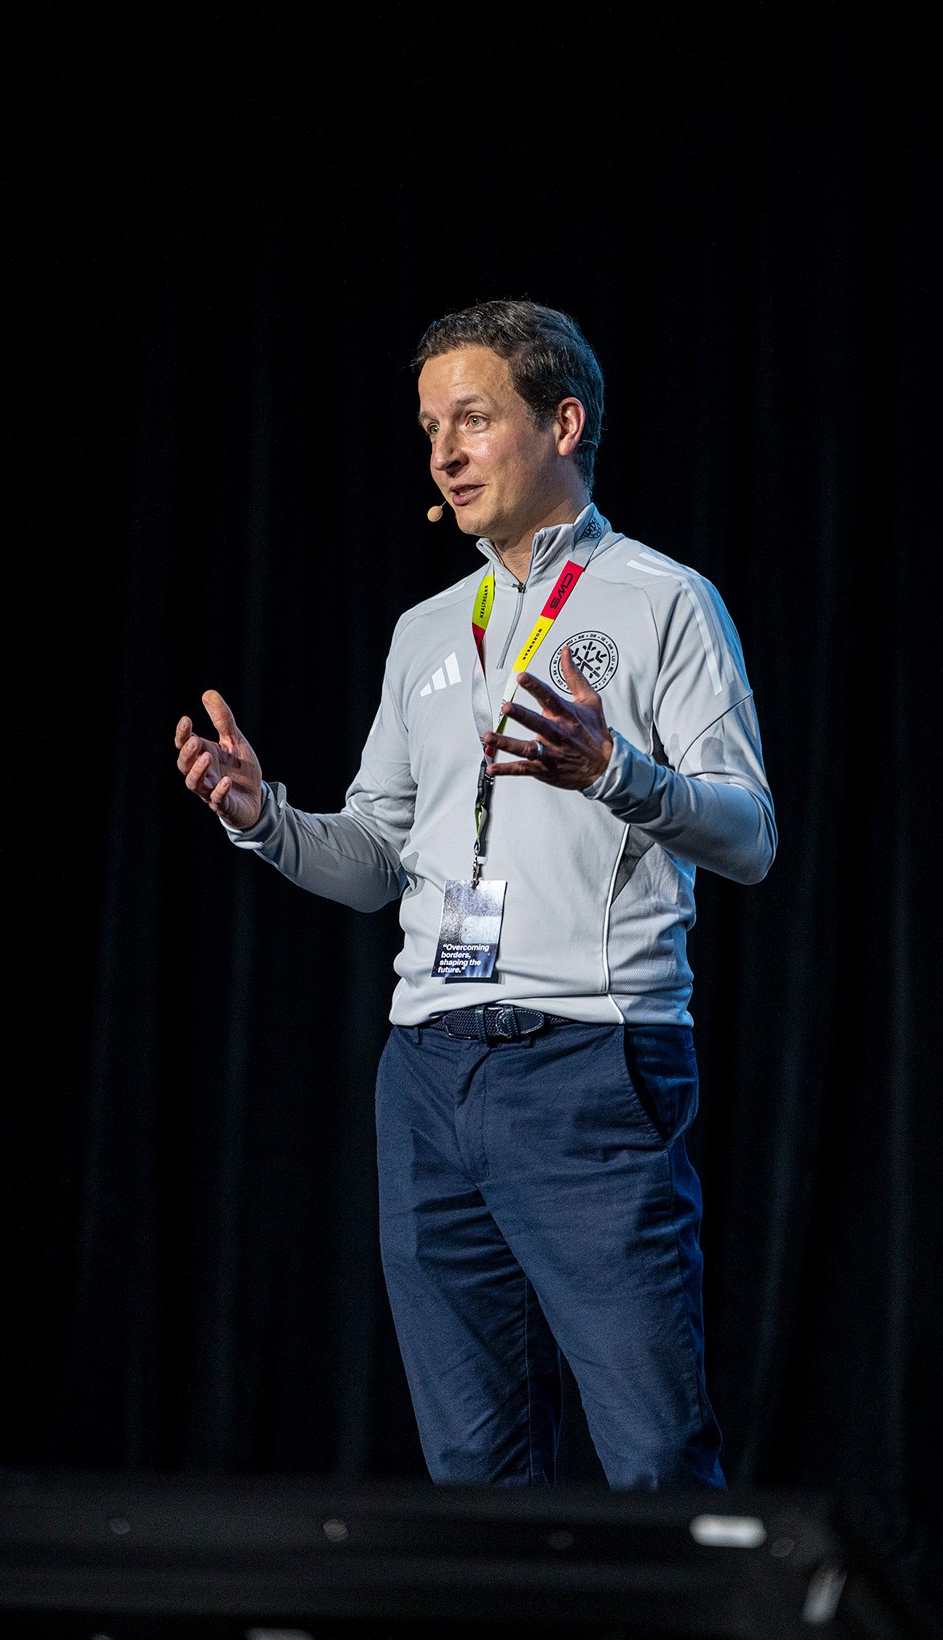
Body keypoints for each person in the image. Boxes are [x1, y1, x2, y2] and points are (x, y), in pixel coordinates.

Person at [174, 300, 776, 1490]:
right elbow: (375, 860)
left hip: (591, 1066)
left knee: (651, 1452)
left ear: (563, 421)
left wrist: (617, 771)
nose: (443, 452)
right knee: (472, 1466)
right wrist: (263, 818)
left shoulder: (661, 600)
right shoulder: (425, 632)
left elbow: (749, 835)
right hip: (428, 1073)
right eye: (429, 426)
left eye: (473, 418)